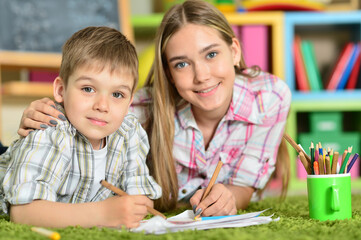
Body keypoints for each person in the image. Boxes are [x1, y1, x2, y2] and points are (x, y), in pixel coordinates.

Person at [15, 0, 291, 216]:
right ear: (169, 73)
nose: (202, 76)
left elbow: (245, 184)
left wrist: (229, 197)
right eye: (182, 64)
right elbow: (88, 109)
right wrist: (52, 110)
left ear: (234, 51)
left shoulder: (269, 98)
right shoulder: (140, 108)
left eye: (211, 54)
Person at [0, 26, 162, 228]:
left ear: (130, 102)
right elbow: (23, 213)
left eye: (117, 94)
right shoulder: (50, 132)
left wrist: (137, 204)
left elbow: (142, 197)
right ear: (60, 90)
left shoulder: (129, 133)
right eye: (88, 89)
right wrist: (102, 214)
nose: (102, 106)